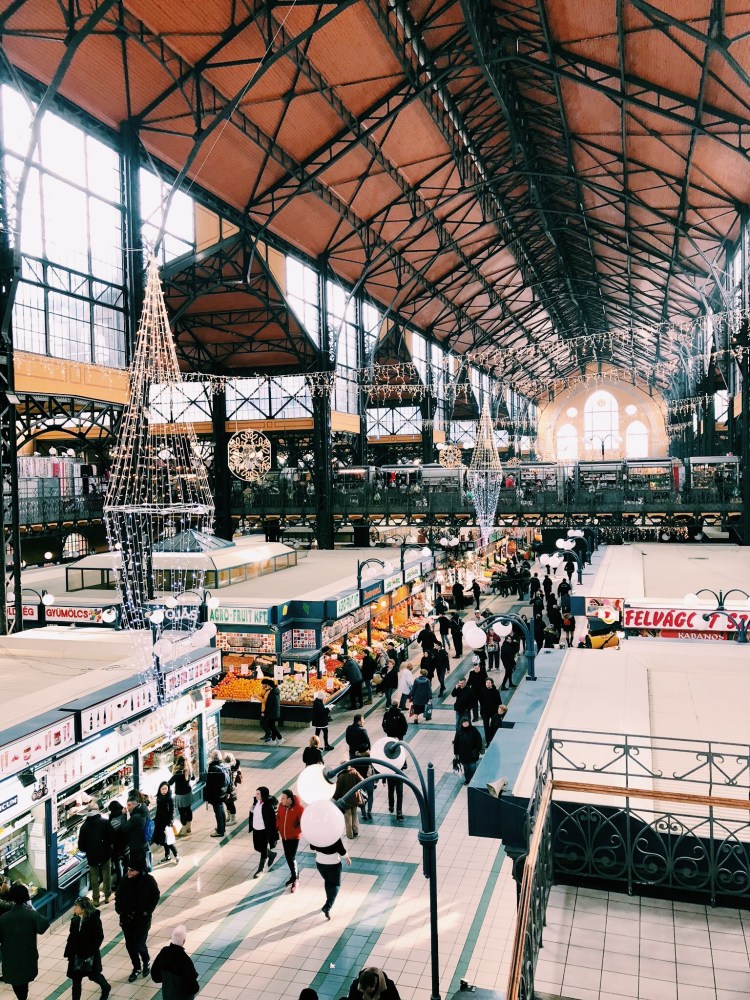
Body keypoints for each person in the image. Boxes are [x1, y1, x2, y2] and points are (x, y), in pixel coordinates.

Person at [0, 883, 50, 1000]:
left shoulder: (3, 918)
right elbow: (43, 926)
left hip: (10, 957)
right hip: (28, 955)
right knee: (24, 983)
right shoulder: (31, 914)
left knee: (17, 984)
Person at [115, 862, 160, 983]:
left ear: (139, 871)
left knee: (140, 943)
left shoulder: (148, 880)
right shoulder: (125, 881)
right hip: (127, 919)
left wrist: (147, 911)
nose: (129, 873)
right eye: (128, 870)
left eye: (132, 870)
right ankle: (136, 967)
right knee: (130, 944)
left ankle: (146, 961)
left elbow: (155, 895)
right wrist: (119, 910)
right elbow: (118, 896)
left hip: (142, 919)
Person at [64, 896, 110, 1000]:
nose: (74, 908)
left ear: (83, 908)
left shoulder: (94, 920)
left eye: (76, 906)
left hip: (89, 955)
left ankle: (106, 988)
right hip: (76, 955)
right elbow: (72, 936)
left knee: (94, 975)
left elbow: (99, 937)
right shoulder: (75, 919)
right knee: (76, 980)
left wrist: (89, 952)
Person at [77, 801, 113, 907]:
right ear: (97, 810)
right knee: (106, 875)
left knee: (94, 877)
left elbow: (81, 846)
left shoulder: (84, 826)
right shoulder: (105, 822)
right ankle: (107, 896)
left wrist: (89, 849)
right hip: (105, 854)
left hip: (92, 856)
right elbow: (111, 838)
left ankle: (96, 899)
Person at [151, 925, 199, 1000]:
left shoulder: (164, 953)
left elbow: (155, 976)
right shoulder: (185, 959)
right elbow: (192, 985)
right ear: (184, 941)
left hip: (168, 995)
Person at [310, 836, 351, 920]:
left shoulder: (317, 835)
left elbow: (312, 847)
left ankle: (328, 900)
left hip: (320, 863)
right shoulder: (334, 836)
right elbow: (342, 851)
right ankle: (327, 906)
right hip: (333, 864)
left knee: (328, 881)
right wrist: (347, 857)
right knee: (336, 884)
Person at [382, 697, 408, 821]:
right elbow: (405, 726)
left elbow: (384, 725)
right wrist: (401, 736)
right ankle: (399, 811)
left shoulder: (387, 714)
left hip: (390, 771)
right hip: (399, 772)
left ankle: (391, 805)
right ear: (398, 705)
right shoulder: (400, 715)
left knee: (390, 789)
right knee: (399, 792)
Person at [276, 789, 304, 892]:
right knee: (288, 857)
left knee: (291, 857)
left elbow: (303, 824)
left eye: (283, 798)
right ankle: (293, 876)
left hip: (293, 838)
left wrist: (295, 831)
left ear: (289, 799)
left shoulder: (299, 809)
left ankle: (296, 878)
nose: (281, 800)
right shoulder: (281, 806)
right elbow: (278, 817)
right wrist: (278, 827)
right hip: (284, 836)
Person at [249, 786, 278, 878]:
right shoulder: (256, 802)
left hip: (264, 830)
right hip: (256, 828)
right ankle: (272, 854)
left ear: (263, 795)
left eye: (258, 794)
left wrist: (274, 834)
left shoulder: (268, 806)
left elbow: (273, 821)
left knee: (263, 849)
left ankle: (260, 869)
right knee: (257, 847)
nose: (256, 795)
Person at [203, 749, 230, 838]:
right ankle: (222, 828)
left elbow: (209, 784)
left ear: (213, 758)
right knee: (221, 809)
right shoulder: (223, 766)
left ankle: (220, 831)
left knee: (217, 812)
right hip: (223, 792)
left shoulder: (213, 768)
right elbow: (229, 781)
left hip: (216, 794)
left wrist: (206, 796)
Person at [153, 783, 180, 865]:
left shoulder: (169, 799)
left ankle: (176, 855)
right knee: (163, 841)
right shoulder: (159, 797)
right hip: (159, 822)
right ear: (159, 789)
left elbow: (172, 810)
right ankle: (167, 855)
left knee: (168, 840)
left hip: (166, 823)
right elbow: (158, 810)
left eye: (165, 789)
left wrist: (170, 821)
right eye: (162, 789)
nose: (164, 790)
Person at [453, 716, 483, 786]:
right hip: (463, 755)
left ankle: (473, 780)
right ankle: (468, 780)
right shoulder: (459, 731)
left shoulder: (474, 730)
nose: (466, 724)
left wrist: (478, 749)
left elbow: (479, 740)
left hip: (472, 754)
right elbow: (456, 743)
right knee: (466, 769)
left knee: (472, 768)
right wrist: (456, 753)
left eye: (467, 722)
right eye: (464, 722)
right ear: (461, 723)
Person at [334, 766, 362, 839]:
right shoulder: (353, 774)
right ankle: (356, 831)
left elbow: (338, 790)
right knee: (355, 815)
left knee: (348, 817)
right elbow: (361, 781)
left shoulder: (341, 776)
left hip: (345, 800)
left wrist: (334, 798)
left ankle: (349, 834)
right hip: (354, 799)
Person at [124, 791, 150, 870]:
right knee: (143, 865)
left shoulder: (136, 817)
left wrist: (123, 815)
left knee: (137, 867)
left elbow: (124, 828)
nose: (127, 807)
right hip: (144, 843)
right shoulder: (144, 809)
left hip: (137, 846)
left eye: (129, 805)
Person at [168, 756, 194, 836]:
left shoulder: (178, 773)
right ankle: (189, 827)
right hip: (188, 793)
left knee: (182, 812)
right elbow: (193, 778)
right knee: (188, 810)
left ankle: (184, 830)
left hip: (180, 795)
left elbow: (169, 783)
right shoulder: (189, 770)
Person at [108, 801, 128, 887]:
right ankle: (127, 880)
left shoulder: (112, 818)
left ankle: (120, 882)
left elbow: (111, 831)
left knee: (118, 862)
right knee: (126, 862)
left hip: (117, 844)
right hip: (126, 843)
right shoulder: (124, 815)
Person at [479, 677, 504, 745]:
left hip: (494, 712)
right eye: (487, 682)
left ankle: (492, 738)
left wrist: (500, 711)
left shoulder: (495, 692)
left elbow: (499, 702)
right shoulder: (483, 691)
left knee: (494, 726)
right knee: (486, 727)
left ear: (492, 684)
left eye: (489, 683)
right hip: (485, 712)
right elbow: (481, 701)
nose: (488, 684)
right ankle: (488, 742)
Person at [352, 750, 375, 823]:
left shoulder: (356, 759)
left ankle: (363, 814)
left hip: (360, 781)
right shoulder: (369, 758)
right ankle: (369, 811)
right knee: (370, 795)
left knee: (362, 798)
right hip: (370, 780)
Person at [260, 677, 283, 743]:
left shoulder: (272, 693)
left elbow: (269, 704)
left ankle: (280, 738)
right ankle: (273, 740)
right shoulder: (275, 691)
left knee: (271, 726)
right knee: (272, 725)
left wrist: (264, 712)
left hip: (272, 712)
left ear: (269, 685)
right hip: (274, 712)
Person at [223, 752, 241, 825]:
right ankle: (229, 815)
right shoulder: (233, 766)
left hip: (230, 788)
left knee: (230, 803)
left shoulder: (230, 769)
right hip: (230, 788)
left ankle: (233, 818)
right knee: (227, 803)